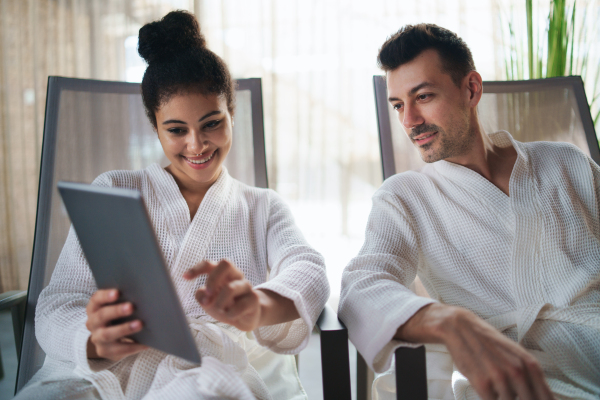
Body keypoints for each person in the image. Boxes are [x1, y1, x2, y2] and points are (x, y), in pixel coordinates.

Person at [16, 10, 329, 400]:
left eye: (212, 123)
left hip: (199, 375)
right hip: (100, 377)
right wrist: (94, 338)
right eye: (177, 130)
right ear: (155, 127)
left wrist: (259, 305)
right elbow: (56, 304)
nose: (196, 145)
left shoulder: (261, 207)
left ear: (232, 115)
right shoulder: (115, 188)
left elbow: (309, 270)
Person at [338, 24, 600, 400]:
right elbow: (361, 288)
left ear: (471, 89)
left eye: (423, 96)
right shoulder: (406, 198)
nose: (409, 120)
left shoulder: (565, 164)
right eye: (398, 105)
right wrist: (450, 321)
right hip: (521, 378)